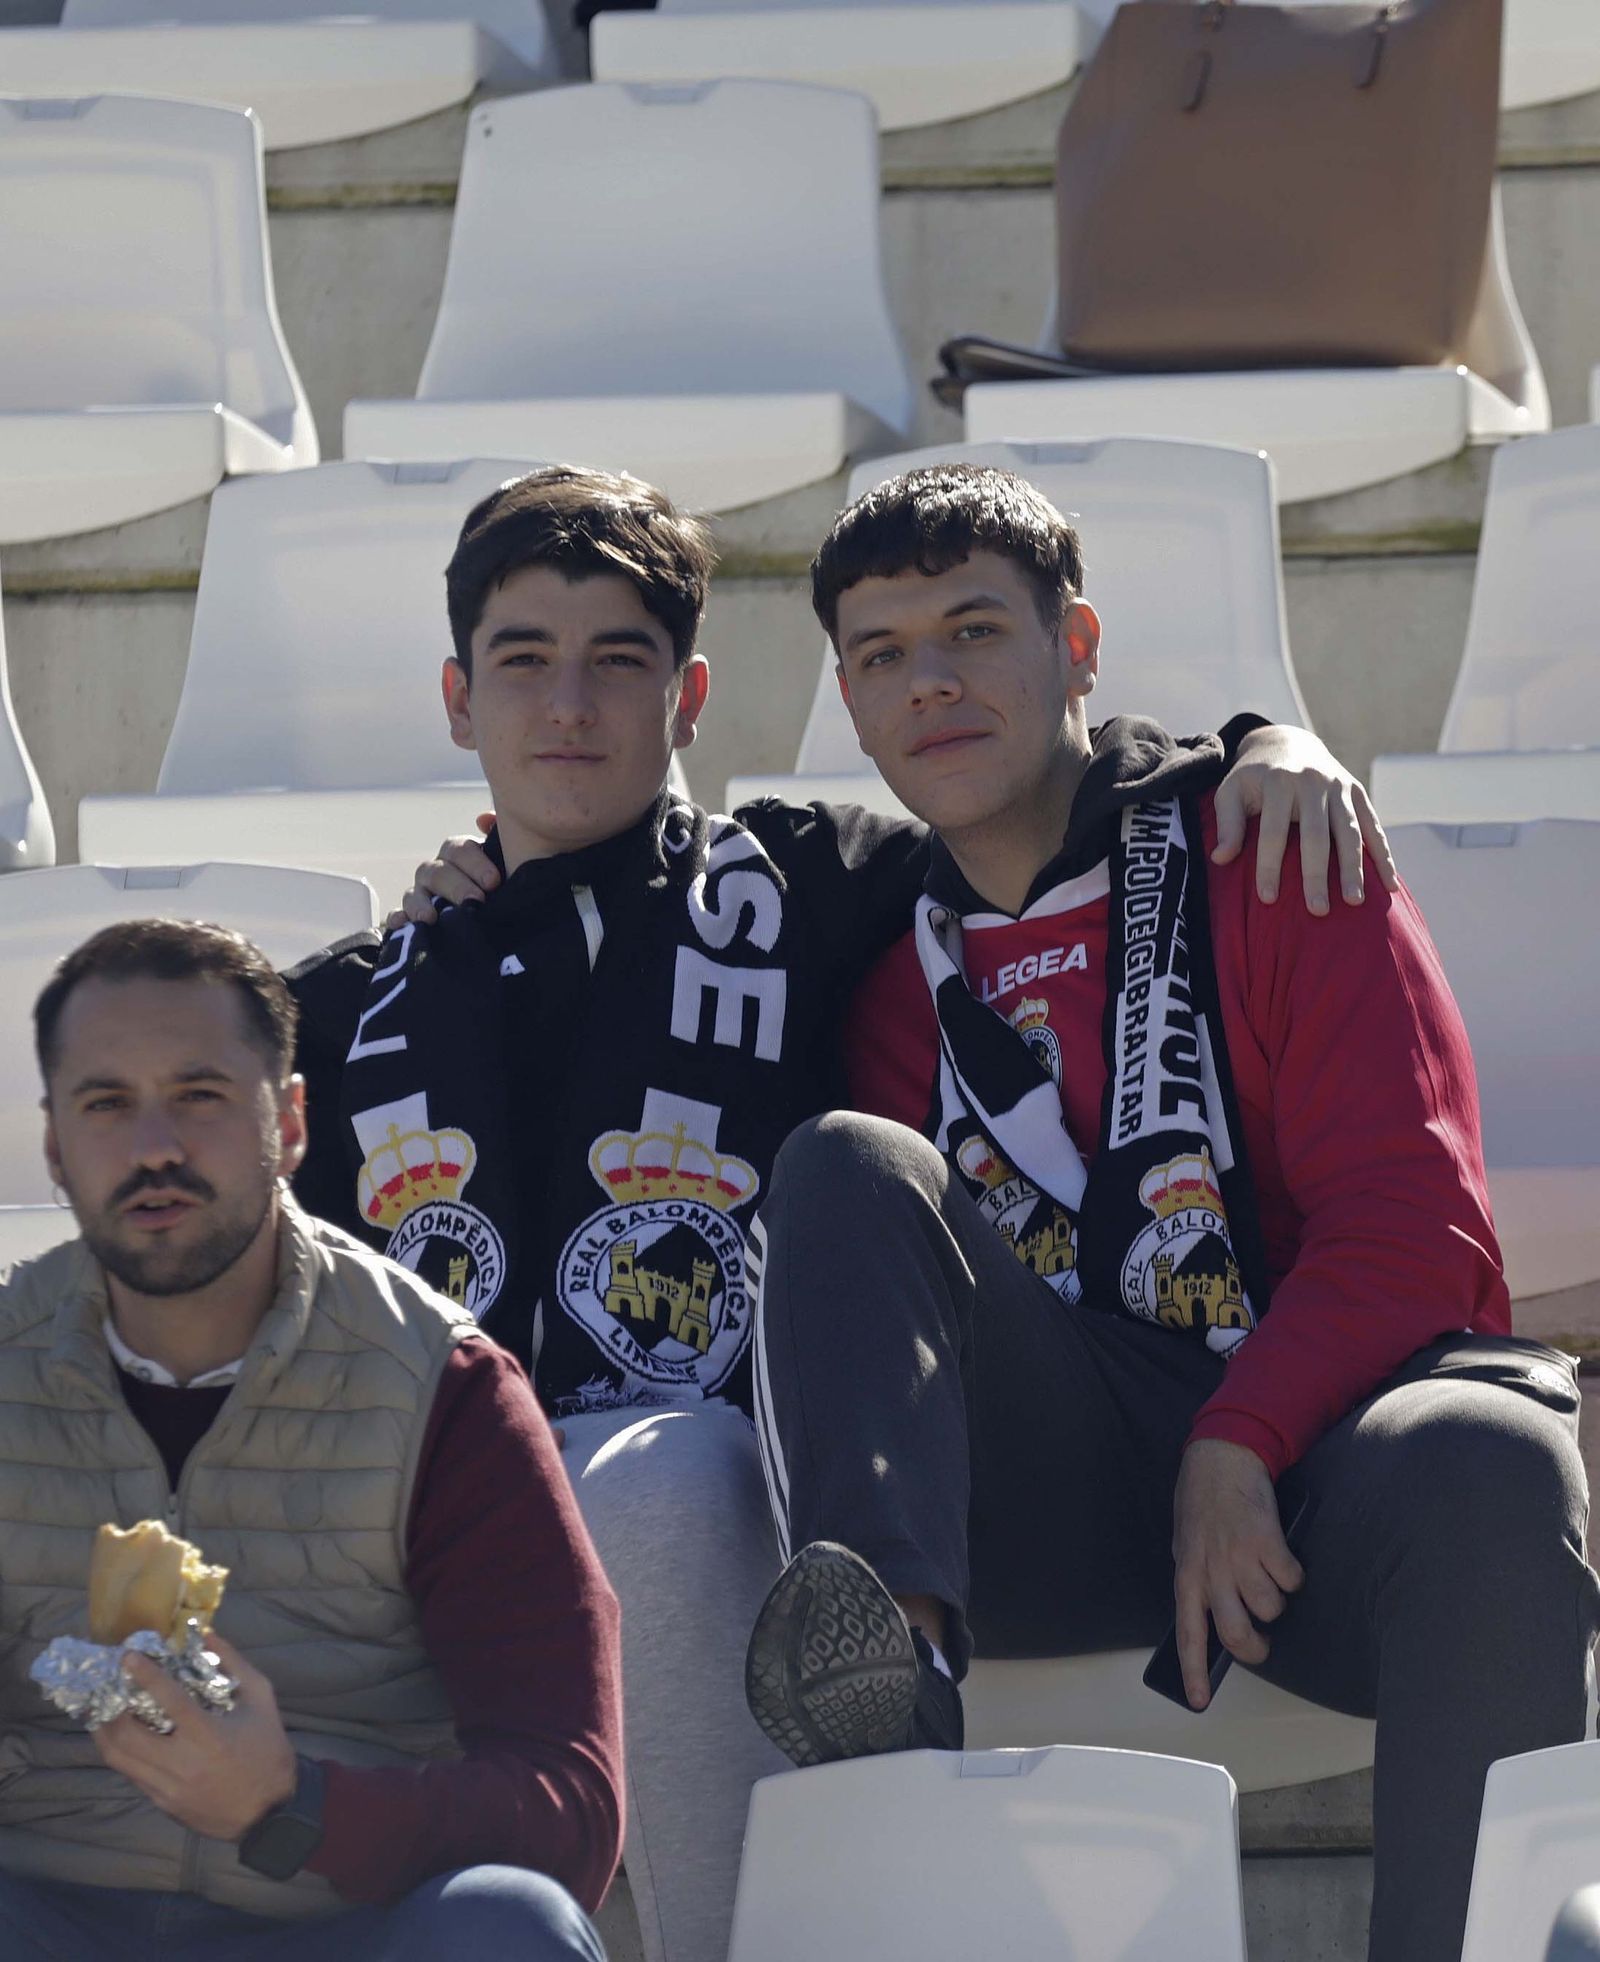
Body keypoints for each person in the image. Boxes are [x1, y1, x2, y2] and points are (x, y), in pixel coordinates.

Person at [291, 463, 1394, 1962]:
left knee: (668, 1482)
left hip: (717, 1485)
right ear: (454, 693)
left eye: (618, 661)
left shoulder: (810, 882)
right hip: (452, 1507)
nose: (569, 707)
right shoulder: (348, 1003)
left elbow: (1041, 789)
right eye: (522, 662)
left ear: (687, 698)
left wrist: (1272, 741)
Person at [739, 464, 1600, 1962]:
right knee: (845, 1162)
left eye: (972, 631)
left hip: (1315, 1473)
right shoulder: (875, 963)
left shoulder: (1275, 847)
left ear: (1077, 647)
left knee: (1498, 1459)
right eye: (883, 656)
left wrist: (1239, 1433)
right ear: (850, 703)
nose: (929, 681)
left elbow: (1415, 1225)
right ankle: (895, 1686)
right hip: (1051, 1491)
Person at [0, 920, 621, 1961]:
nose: (155, 1147)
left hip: (341, 1924)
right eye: (107, 1105)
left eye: (199, 1095)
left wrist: (296, 1803)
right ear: (56, 1146)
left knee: (510, 1928)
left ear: (288, 1123)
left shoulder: (443, 1387)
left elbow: (568, 1806)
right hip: (44, 1909)